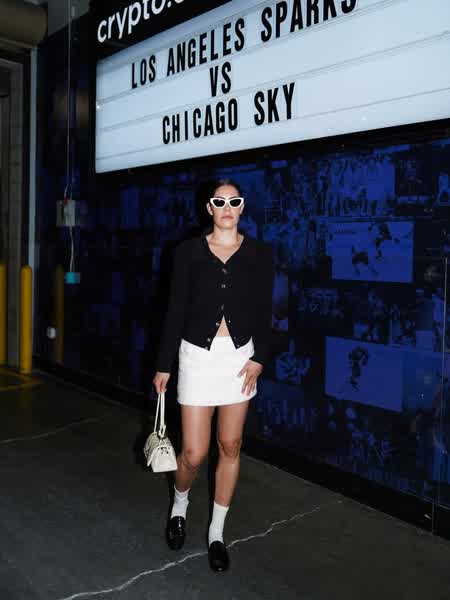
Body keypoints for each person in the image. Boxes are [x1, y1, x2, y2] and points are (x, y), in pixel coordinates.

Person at [152, 178, 274, 573]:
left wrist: (261, 357)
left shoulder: (259, 253)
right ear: (209, 208)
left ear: (242, 207)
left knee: (231, 444)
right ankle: (180, 504)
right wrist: (164, 364)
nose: (227, 208)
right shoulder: (187, 252)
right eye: (219, 202)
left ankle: (217, 533)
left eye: (234, 202)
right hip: (196, 359)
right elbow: (174, 310)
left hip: (239, 359)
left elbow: (265, 310)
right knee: (193, 452)